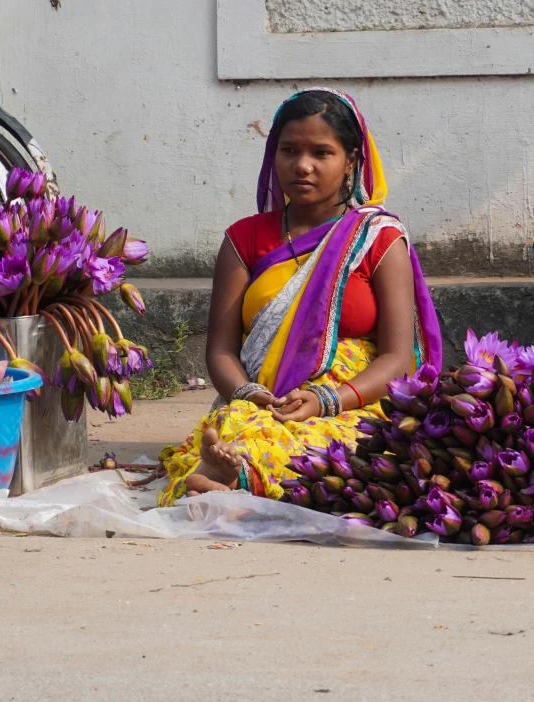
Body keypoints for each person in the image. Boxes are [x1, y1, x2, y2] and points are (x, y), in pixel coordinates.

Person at [158, 88, 441, 507]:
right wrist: (246, 393)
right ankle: (231, 478)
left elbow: (398, 359)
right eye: (288, 150)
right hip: (268, 397)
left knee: (333, 453)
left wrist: (329, 400)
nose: (302, 166)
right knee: (240, 430)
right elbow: (221, 349)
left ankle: (237, 488)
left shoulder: (378, 239)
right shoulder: (246, 239)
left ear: (351, 161)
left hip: (355, 399)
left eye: (322, 153)